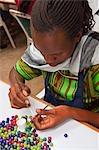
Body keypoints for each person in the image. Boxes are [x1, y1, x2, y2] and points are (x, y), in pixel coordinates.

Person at [9, 0, 99, 129]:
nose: (48, 61)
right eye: (41, 52)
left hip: (89, 128)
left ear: (77, 35)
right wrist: (16, 87)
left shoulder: (94, 61)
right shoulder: (45, 46)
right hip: (53, 120)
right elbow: (15, 72)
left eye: (56, 55)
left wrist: (70, 112)